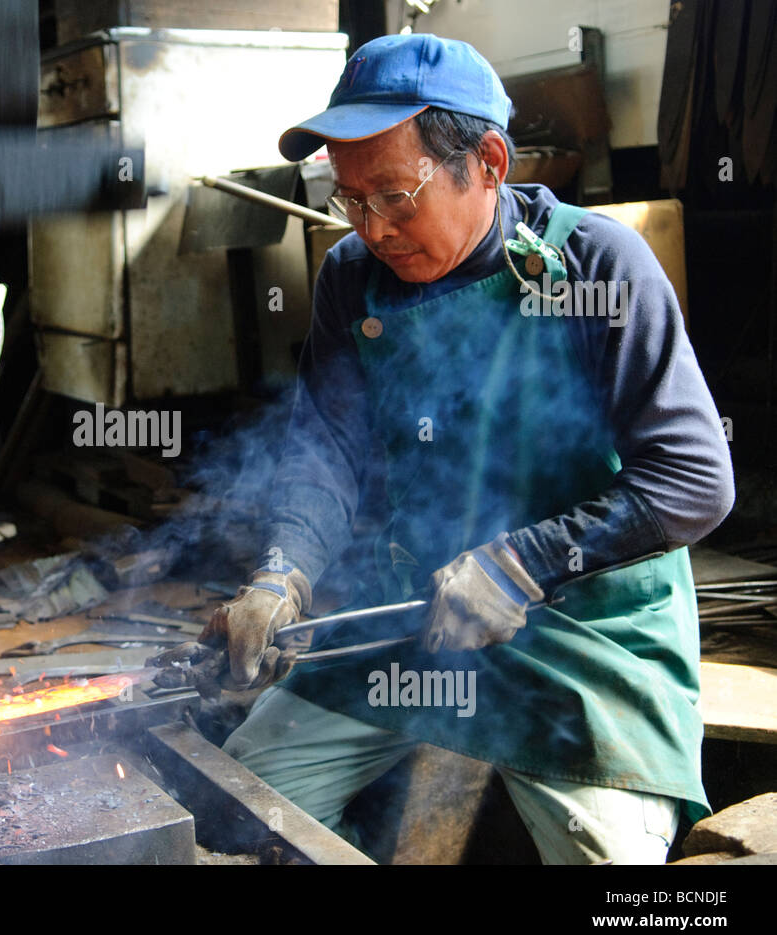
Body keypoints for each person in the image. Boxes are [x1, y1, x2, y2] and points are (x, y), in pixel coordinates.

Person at [165, 33, 735, 864]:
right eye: (348, 200)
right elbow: (326, 448)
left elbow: (694, 479)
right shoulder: (349, 279)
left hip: (580, 645)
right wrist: (281, 574)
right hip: (409, 626)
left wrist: (522, 563)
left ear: (491, 162)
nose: (372, 228)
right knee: (238, 811)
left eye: (395, 195)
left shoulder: (597, 267)